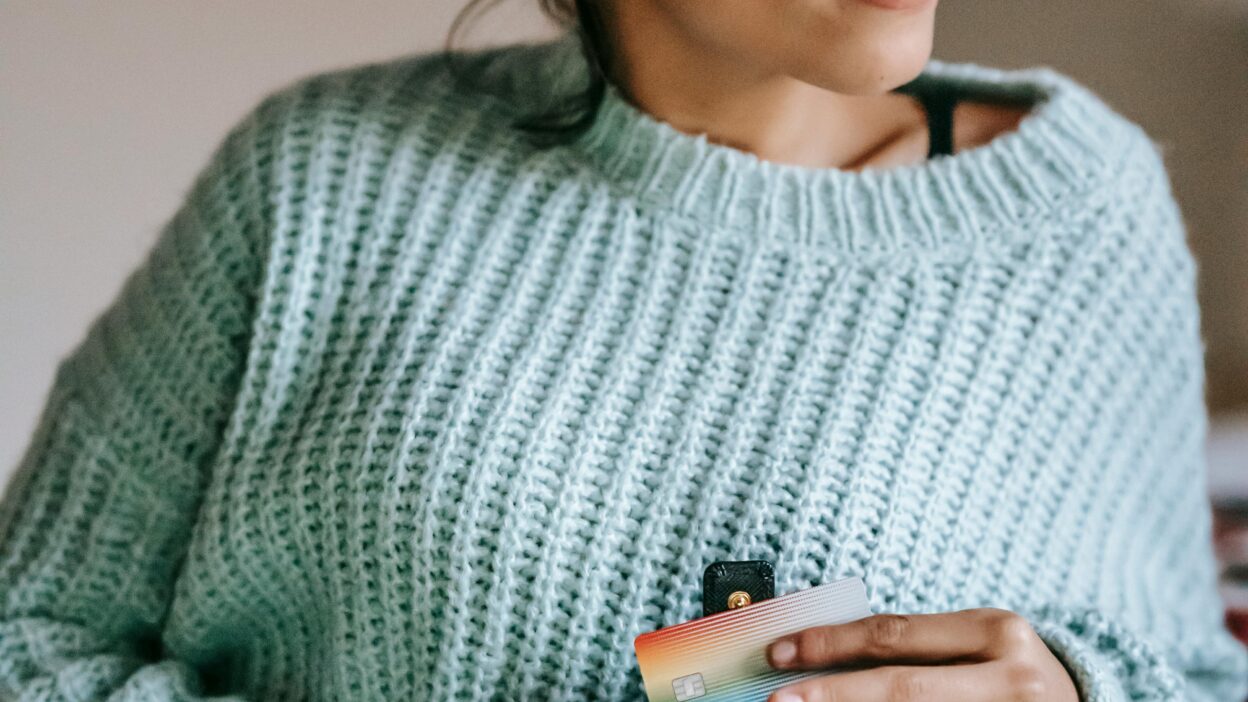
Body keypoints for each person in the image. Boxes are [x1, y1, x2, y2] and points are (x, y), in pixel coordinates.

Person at [1, 0, 1246, 699]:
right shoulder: (322, 180)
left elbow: (1194, 674)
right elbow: (29, 638)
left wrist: (1079, 692)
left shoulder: (1078, 213)